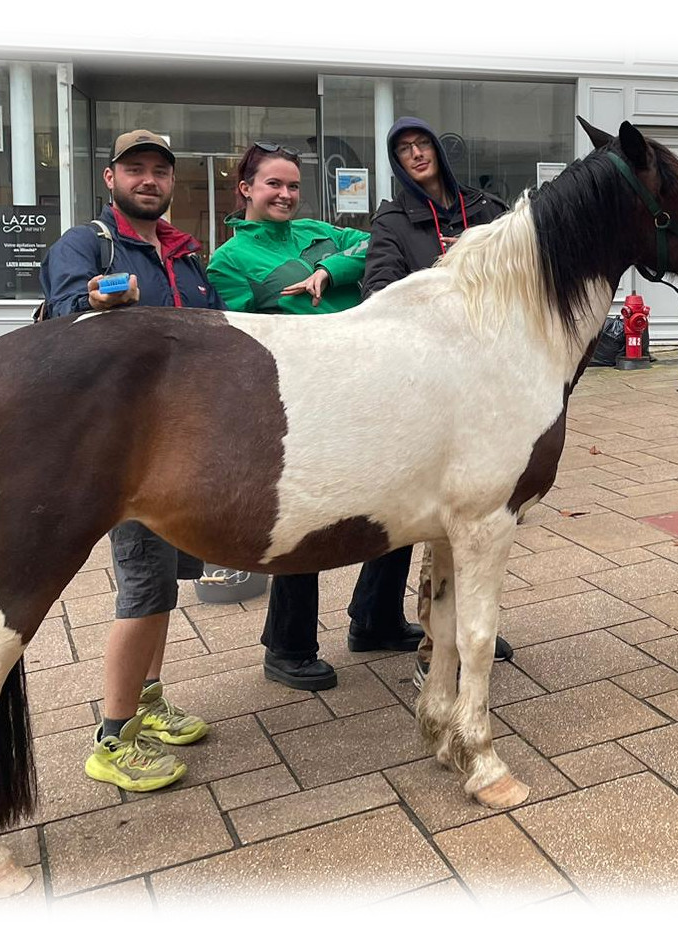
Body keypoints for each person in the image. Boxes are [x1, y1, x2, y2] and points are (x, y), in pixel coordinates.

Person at [39, 129, 225, 791]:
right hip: (131, 455)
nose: (148, 179)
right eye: (135, 169)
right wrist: (93, 300)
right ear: (111, 177)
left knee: (165, 585)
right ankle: (112, 739)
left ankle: (148, 701)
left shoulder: (185, 255)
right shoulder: (86, 243)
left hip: (189, 449)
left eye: (158, 171)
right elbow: (58, 316)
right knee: (142, 589)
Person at [206, 140, 390, 692]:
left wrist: (330, 272)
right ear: (246, 190)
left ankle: (375, 620)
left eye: (292, 185)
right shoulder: (229, 261)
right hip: (299, 404)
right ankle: (287, 647)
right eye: (273, 185)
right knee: (307, 517)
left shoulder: (321, 233)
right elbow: (235, 339)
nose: (285, 195)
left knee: (397, 500)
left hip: (363, 386)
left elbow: (375, 242)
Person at [363, 116, 514, 689]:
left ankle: (453, 624)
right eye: (403, 150)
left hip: (493, 377)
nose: (415, 154)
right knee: (449, 514)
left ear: (440, 151)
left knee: (484, 511)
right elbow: (380, 288)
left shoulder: (486, 207)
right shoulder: (392, 219)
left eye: (421, 144)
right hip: (432, 378)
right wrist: (441, 276)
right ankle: (437, 636)